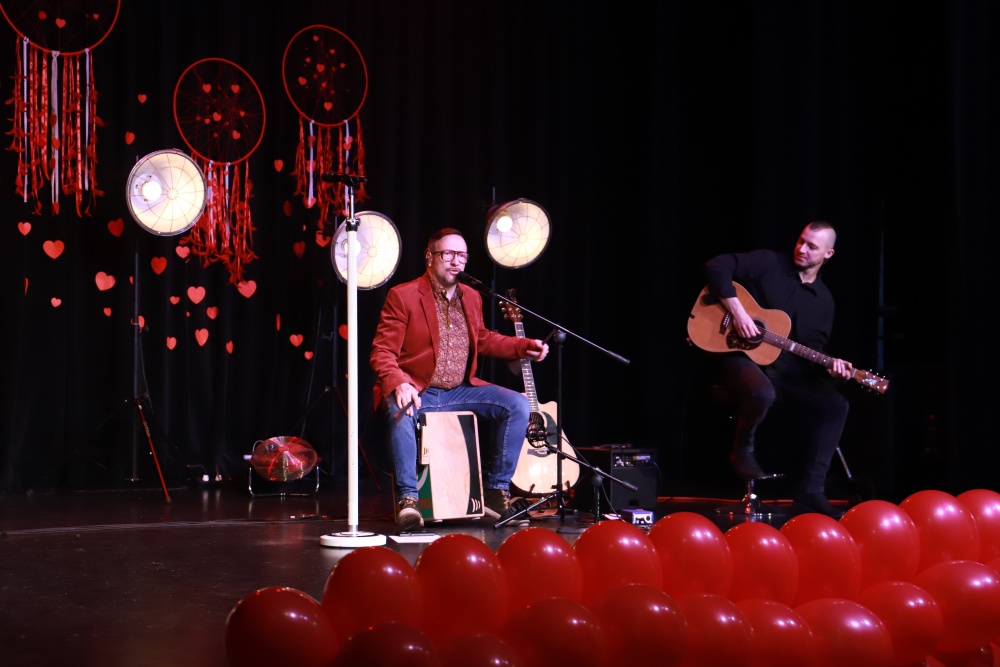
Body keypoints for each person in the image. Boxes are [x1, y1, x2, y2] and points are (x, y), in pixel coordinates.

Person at [370, 227, 549, 531]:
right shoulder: (404, 295)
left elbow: (482, 339)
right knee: (402, 409)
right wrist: (399, 382)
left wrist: (523, 346)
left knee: (518, 405)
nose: (456, 261)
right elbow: (382, 351)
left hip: (459, 391)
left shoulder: (472, 296)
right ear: (430, 257)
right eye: (448, 254)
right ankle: (409, 500)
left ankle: (496, 491)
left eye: (462, 256)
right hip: (419, 390)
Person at [701, 220, 853, 517]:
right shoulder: (770, 263)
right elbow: (716, 266)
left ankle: (810, 491)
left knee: (836, 404)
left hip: (782, 372)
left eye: (812, 246)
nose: (802, 249)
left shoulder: (824, 301)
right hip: (738, 355)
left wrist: (830, 367)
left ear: (828, 254)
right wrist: (738, 312)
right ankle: (742, 450)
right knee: (762, 392)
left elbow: (813, 349)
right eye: (801, 241)